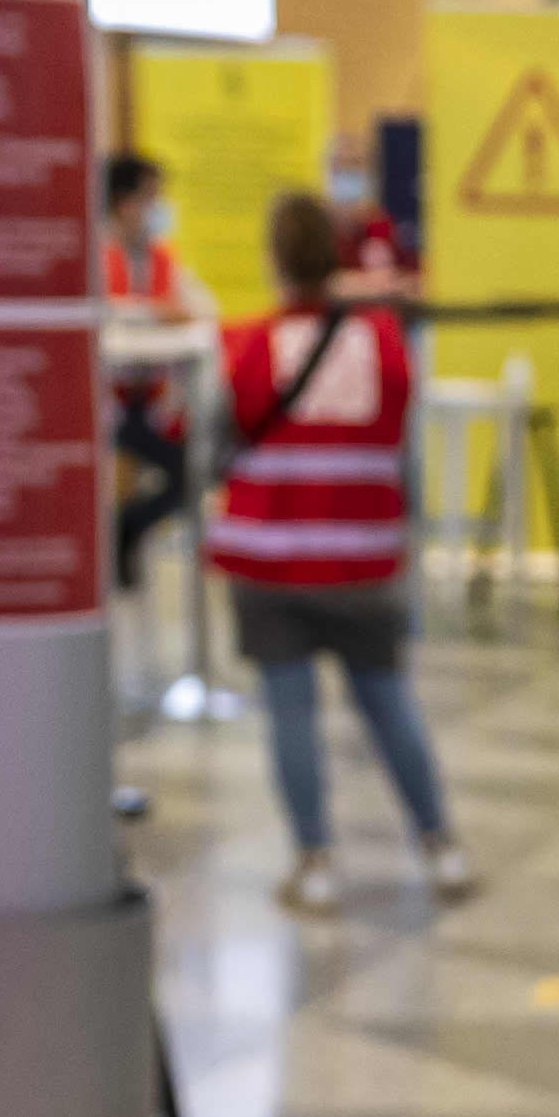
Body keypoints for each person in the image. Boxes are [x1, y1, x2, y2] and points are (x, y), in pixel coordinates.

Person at [210, 189, 470, 916]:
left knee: (290, 714)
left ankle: (316, 862)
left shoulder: (248, 346)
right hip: (361, 558)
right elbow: (399, 446)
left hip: (268, 560)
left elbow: (214, 441)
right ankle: (440, 844)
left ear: (273, 259)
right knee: (387, 702)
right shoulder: (383, 344)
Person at [101, 151, 215, 591]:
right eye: (151, 198)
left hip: (155, 405)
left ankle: (127, 527)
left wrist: (159, 314)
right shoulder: (95, 256)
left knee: (191, 474)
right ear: (124, 203)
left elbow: (200, 312)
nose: (158, 208)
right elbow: (103, 314)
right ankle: (116, 537)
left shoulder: (166, 261)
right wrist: (152, 314)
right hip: (105, 406)